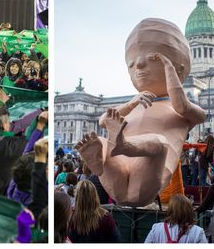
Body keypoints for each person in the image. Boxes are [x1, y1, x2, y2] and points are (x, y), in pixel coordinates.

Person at [75, 18, 206, 206]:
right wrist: (131, 103)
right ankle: (103, 160)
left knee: (158, 143)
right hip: (119, 179)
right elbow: (104, 120)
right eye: (131, 64)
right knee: (101, 142)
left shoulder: (182, 112)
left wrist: (169, 69)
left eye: (151, 59)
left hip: (149, 175)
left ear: (180, 69)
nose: (138, 66)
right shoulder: (134, 106)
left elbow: (182, 105)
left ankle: (122, 144)